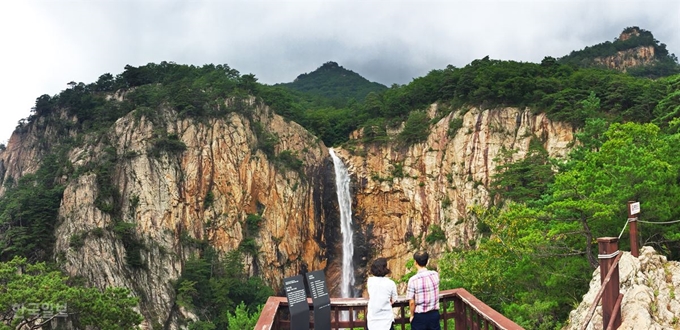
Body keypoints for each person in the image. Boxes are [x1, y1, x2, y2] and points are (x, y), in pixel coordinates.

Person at [406, 250, 440, 330]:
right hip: (434, 314)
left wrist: (412, 315)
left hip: (420, 316)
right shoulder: (435, 274)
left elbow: (411, 302)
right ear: (427, 262)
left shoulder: (413, 280)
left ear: (415, 262)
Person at [367, 257, 398, 330]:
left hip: (372, 320)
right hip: (386, 320)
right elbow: (394, 299)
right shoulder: (391, 283)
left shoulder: (370, 281)